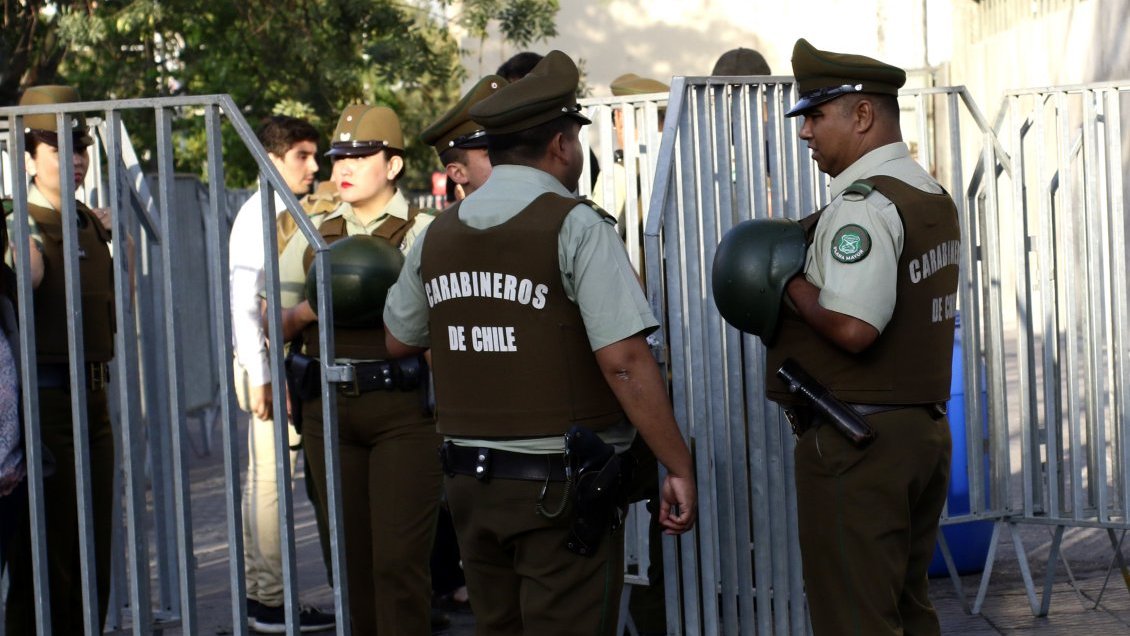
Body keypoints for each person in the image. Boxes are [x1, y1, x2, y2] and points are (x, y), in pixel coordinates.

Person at [383, 50, 697, 636]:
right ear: (561, 144)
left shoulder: (436, 235)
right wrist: (676, 464)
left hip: (470, 483)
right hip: (559, 492)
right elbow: (625, 361)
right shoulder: (575, 223)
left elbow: (399, 338)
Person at [765, 39, 959, 635]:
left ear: (863, 114)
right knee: (906, 607)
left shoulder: (863, 206)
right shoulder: (930, 195)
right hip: (920, 432)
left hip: (859, 443)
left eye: (816, 116)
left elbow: (854, 328)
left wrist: (790, 285)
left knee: (855, 619)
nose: (806, 134)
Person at [277, 104, 441, 635]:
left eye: (360, 155)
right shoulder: (311, 230)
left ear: (392, 165)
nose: (343, 168)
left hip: (404, 411)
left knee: (398, 562)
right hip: (328, 411)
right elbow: (273, 320)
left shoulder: (425, 232)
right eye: (338, 157)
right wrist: (315, 308)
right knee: (346, 564)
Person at [3, 85, 117, 634]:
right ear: (26, 157)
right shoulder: (16, 219)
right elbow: (28, 279)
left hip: (93, 399)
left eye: (80, 145)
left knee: (93, 544)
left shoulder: (86, 219)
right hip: (45, 405)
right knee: (47, 555)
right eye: (57, 147)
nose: (75, 159)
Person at [228, 115, 335, 633]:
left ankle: (263, 596)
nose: (314, 167)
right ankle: (269, 602)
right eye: (302, 156)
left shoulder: (283, 208)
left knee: (268, 483)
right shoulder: (260, 213)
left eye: (315, 156)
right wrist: (262, 374)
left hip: (274, 360)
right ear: (273, 159)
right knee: (270, 484)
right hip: (266, 362)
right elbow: (244, 300)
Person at [420, 74, 508, 201]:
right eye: (492, 152)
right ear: (458, 173)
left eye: (512, 146)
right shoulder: (446, 221)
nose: (511, 158)